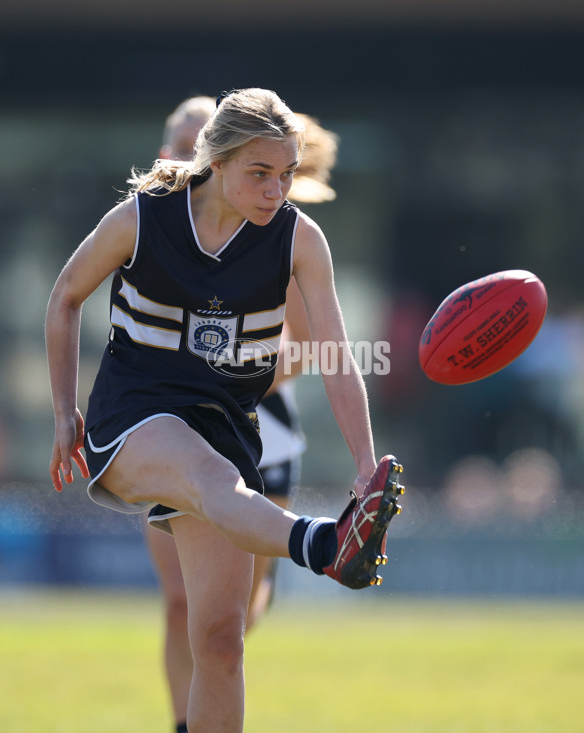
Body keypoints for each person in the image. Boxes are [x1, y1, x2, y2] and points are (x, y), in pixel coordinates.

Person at [46, 87, 404, 733]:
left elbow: (336, 356)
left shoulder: (299, 238)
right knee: (210, 493)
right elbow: (64, 297)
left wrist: (364, 467)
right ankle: (325, 544)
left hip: (226, 426)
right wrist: (64, 410)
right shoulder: (143, 218)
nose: (277, 191)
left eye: (287, 175)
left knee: (220, 639)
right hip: (135, 414)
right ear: (217, 161)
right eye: (260, 174)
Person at [148, 95, 339, 732]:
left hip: (259, 430)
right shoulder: (156, 228)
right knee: (183, 603)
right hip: (169, 430)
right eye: (176, 146)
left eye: (192, 145)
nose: (182, 157)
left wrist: (231, 363)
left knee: (234, 620)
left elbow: (309, 346)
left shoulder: (275, 231)